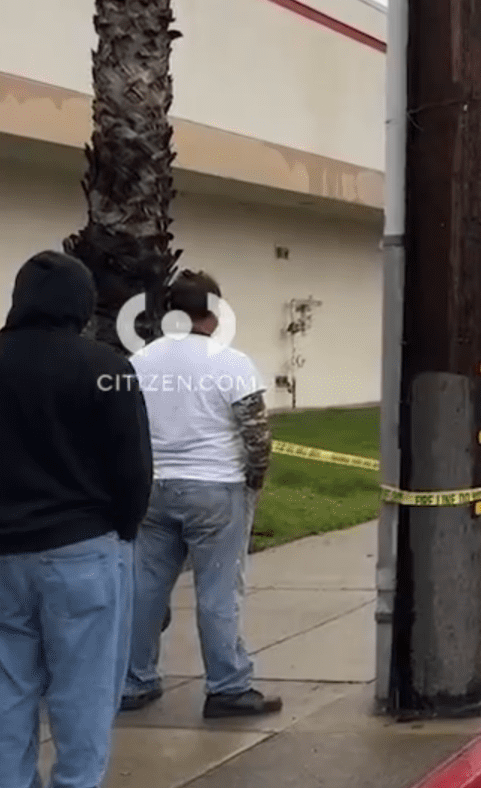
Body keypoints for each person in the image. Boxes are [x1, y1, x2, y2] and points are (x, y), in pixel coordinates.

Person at [0, 251, 152, 788]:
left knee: (7, 690)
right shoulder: (106, 368)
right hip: (83, 550)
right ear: (82, 304)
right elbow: (133, 469)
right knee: (83, 694)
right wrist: (125, 528)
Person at [119, 270, 284, 719]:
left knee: (145, 589)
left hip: (154, 488)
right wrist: (255, 479)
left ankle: (135, 680)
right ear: (214, 313)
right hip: (216, 488)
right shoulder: (230, 361)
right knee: (218, 590)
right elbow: (256, 433)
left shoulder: (140, 361)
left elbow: (126, 430)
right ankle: (228, 686)